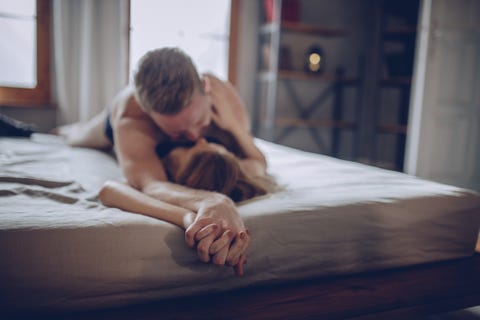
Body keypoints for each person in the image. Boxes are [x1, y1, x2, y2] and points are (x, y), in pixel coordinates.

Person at [56, 47, 266, 273]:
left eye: (200, 122)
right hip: (111, 124)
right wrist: (211, 201)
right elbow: (150, 184)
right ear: (149, 114)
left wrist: (233, 126)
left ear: (205, 88)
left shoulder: (224, 98)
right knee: (77, 136)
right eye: (177, 133)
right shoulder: (132, 117)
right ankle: (64, 130)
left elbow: (254, 159)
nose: (195, 137)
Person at [99, 137, 275, 276]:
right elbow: (258, 160)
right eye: (214, 145)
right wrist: (232, 124)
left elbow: (111, 190)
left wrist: (188, 218)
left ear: (178, 179)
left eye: (192, 150)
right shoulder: (240, 169)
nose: (200, 139)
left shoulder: (165, 177)